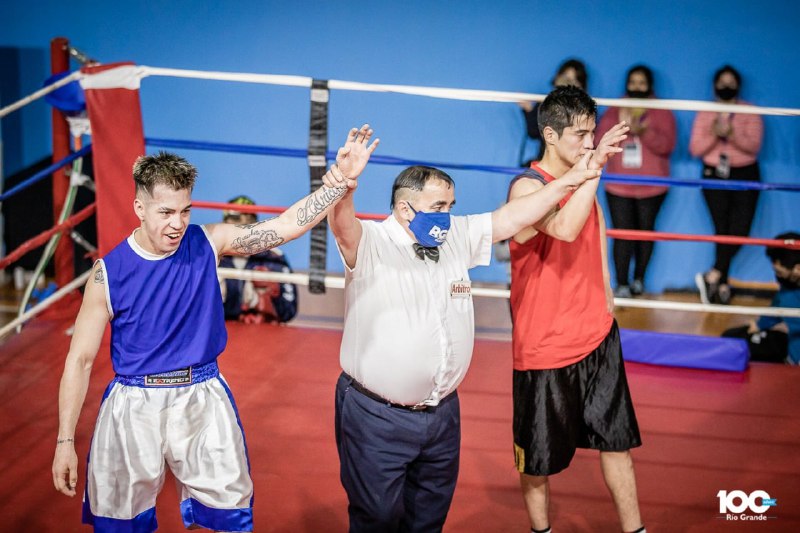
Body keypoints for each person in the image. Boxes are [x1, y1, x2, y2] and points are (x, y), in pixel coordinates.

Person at [51, 125, 376, 533]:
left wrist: (340, 183)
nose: (177, 223)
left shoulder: (207, 241)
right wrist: (65, 441)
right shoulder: (107, 275)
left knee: (230, 516)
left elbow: (285, 226)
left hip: (201, 396)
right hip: (133, 404)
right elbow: (79, 361)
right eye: (165, 212)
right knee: (120, 524)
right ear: (139, 207)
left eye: (184, 211)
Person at [324, 121, 617, 532]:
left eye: (451, 205)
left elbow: (515, 215)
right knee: (378, 519)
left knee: (429, 518)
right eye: (438, 206)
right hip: (377, 416)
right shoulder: (372, 241)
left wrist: (576, 176)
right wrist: (346, 185)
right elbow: (341, 225)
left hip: (442, 414)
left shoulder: (455, 236)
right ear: (405, 208)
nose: (448, 215)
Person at [508, 86, 645, 533]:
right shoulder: (527, 188)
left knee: (617, 441)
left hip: (597, 335)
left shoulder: (585, 179)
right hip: (545, 345)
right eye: (580, 135)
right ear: (549, 134)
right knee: (538, 458)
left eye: (593, 133)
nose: (589, 143)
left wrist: (607, 300)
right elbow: (565, 229)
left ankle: (635, 530)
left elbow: (593, 239)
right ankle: (540, 531)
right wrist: (595, 170)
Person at [596, 64, 676, 297]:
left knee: (646, 234)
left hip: (652, 187)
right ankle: (621, 283)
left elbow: (667, 145)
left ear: (649, 85)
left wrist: (643, 131)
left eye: (642, 82)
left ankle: (638, 280)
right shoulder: (616, 108)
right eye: (633, 82)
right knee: (622, 236)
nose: (637, 86)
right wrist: (622, 127)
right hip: (619, 185)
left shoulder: (661, 111)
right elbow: (601, 140)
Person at [690, 65, 764, 305]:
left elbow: (754, 146)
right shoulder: (706, 112)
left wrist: (731, 133)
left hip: (745, 173)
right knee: (723, 230)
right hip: (714, 174)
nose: (726, 86)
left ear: (738, 86)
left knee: (739, 231)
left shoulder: (749, 111)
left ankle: (713, 274)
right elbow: (695, 149)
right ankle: (721, 283)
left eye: (731, 82)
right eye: (722, 82)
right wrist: (714, 133)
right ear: (714, 85)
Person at [722, 232, 800, 365]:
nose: (777, 276)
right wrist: (758, 325)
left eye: (779, 272)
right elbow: (776, 310)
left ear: (797, 268)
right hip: (791, 355)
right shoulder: (787, 290)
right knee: (732, 336)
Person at [219, 195, 298, 324]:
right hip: (221, 333)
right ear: (224, 225)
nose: (241, 229)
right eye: (235, 222)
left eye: (247, 223)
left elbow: (289, 311)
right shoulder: (212, 257)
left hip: (262, 336)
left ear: (256, 225)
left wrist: (272, 296)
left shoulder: (273, 258)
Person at [519, 58, 588, 166]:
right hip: (546, 162)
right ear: (557, 77)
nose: (567, 83)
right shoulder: (545, 102)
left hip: (571, 165)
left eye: (573, 81)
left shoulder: (584, 108)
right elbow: (534, 132)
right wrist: (529, 111)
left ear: (581, 86)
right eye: (565, 77)